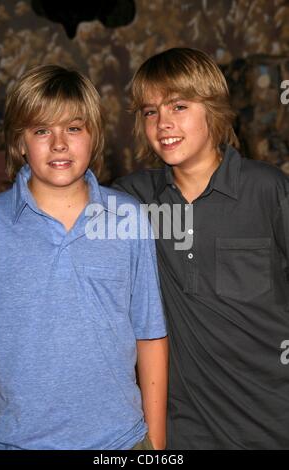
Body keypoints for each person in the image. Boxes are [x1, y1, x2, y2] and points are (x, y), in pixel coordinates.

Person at [113, 48, 289, 449]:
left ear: (212, 109)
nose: (163, 123)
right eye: (150, 111)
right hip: (186, 428)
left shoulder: (268, 190)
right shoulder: (134, 201)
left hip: (273, 421)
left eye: (179, 106)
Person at [0, 65, 168, 450]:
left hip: (119, 442)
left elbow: (150, 335)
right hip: (13, 441)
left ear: (93, 137)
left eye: (73, 128)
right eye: (41, 130)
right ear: (19, 143)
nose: (58, 143)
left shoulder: (128, 218)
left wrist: (155, 444)